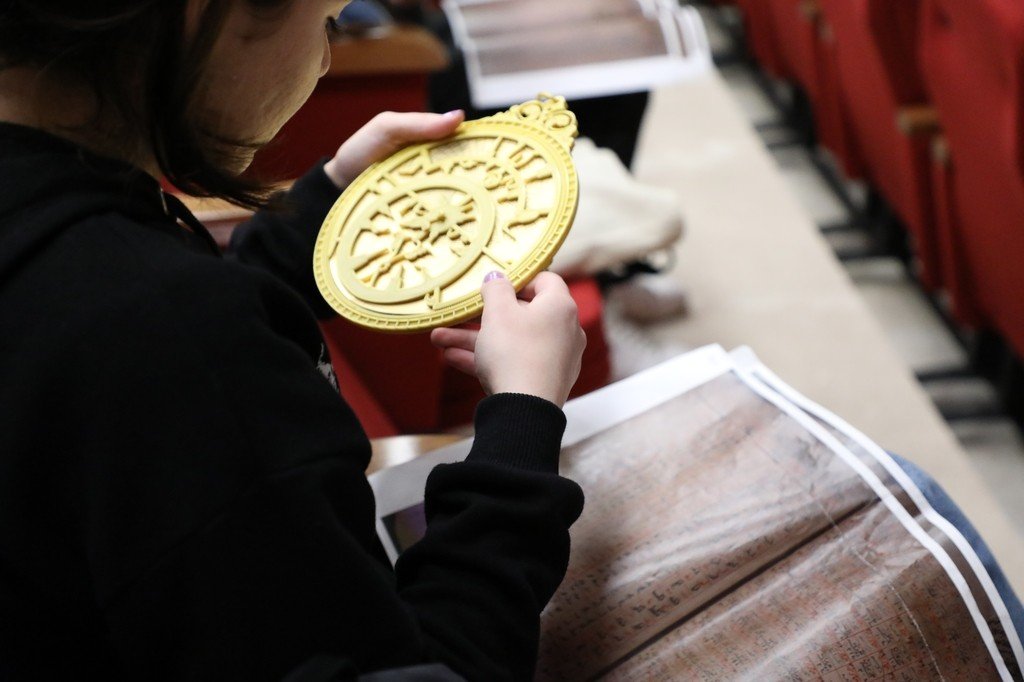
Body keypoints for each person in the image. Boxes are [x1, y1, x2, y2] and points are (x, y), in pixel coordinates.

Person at [0, 1, 587, 680]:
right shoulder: (176, 340)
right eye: (328, 21)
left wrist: (318, 218)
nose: (325, 57)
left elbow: (91, 317)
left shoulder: (81, 261)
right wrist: (522, 420)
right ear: (204, 15)